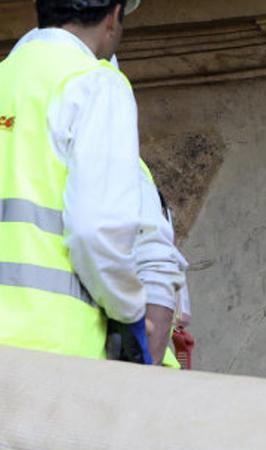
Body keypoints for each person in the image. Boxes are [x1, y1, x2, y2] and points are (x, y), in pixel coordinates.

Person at [0, 0, 184, 364]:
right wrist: (131, 312)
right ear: (114, 16)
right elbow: (95, 231)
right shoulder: (93, 82)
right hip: (58, 355)